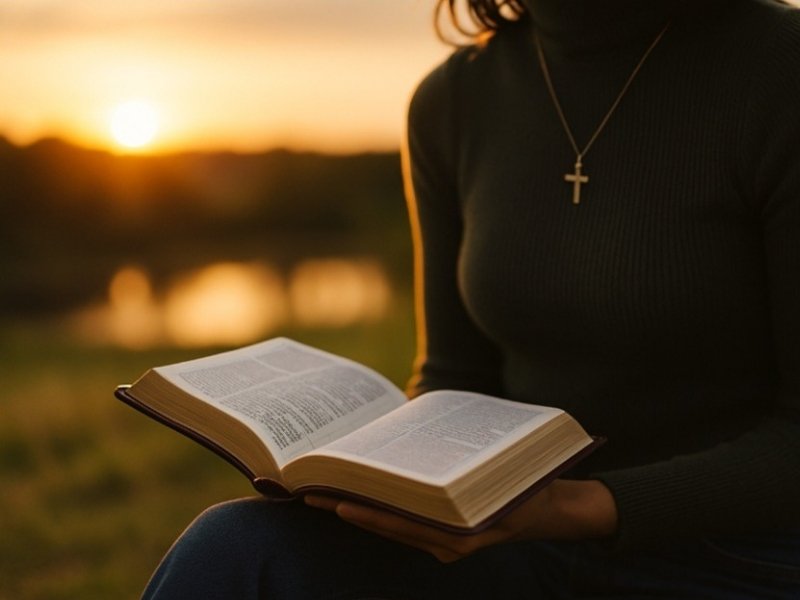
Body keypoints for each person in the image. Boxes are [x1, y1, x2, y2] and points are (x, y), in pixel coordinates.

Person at [141, 0, 800, 597]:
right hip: (511, 543)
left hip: (736, 552)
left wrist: (576, 506)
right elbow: (455, 376)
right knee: (237, 551)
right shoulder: (454, 99)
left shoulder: (776, 69)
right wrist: (378, 480)